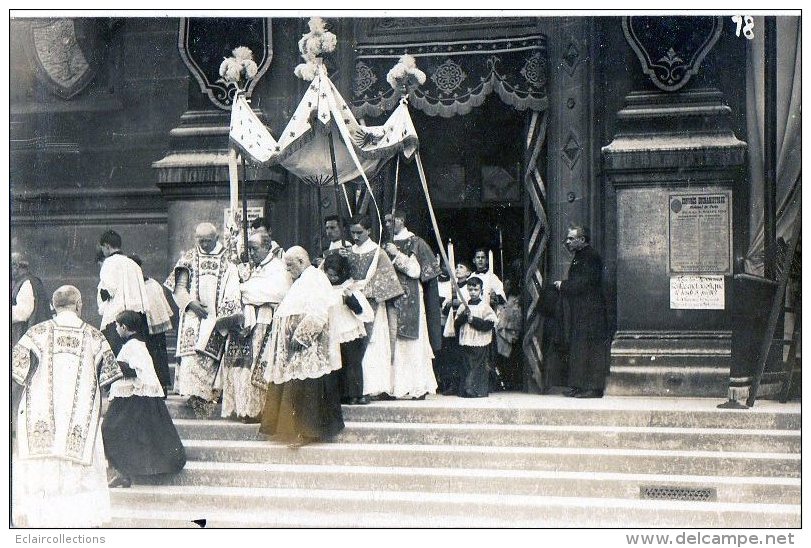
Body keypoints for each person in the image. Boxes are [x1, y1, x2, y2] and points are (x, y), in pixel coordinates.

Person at [11, 286, 121, 527]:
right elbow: (110, 378)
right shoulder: (95, 337)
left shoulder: (34, 333)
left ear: (52, 306)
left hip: (41, 416)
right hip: (80, 418)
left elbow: (16, 372)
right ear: (79, 305)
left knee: (43, 472)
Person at [259, 247, 344, 448]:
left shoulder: (315, 278)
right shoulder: (301, 281)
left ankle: (307, 432)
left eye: (290, 265)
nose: (288, 270)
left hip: (308, 347)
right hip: (294, 349)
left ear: (301, 261)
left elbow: (319, 311)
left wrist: (303, 335)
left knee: (307, 388)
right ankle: (296, 431)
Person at [164, 222, 242, 416]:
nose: (204, 244)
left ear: (216, 238)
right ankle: (194, 396)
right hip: (192, 315)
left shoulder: (228, 258)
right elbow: (179, 286)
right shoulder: (189, 257)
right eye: (201, 240)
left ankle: (210, 397)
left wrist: (225, 314)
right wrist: (190, 303)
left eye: (208, 240)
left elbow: (234, 286)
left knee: (210, 358)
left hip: (216, 315)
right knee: (191, 357)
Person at [102, 310, 186, 488]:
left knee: (111, 428)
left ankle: (124, 472)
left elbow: (137, 371)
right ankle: (123, 472)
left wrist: (114, 365)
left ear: (124, 327)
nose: (116, 329)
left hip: (136, 398)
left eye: (117, 326)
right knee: (125, 433)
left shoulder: (134, 346)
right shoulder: (135, 345)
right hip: (134, 395)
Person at [221, 232, 292, 422]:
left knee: (256, 367)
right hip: (244, 323)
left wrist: (243, 290)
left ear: (267, 247)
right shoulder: (249, 268)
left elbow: (277, 293)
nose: (250, 253)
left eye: (255, 249)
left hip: (264, 323)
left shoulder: (278, 268)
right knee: (239, 365)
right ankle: (240, 408)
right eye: (249, 249)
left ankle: (257, 410)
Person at [341, 213, 404, 399]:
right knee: (353, 344)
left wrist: (365, 291)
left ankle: (373, 387)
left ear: (369, 231)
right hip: (352, 301)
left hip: (371, 302)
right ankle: (354, 389)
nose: (355, 237)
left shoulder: (379, 253)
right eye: (352, 233)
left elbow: (388, 280)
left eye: (359, 232)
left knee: (373, 344)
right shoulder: (349, 251)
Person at [383, 210, 440, 399]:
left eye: (391, 221)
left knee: (411, 343)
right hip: (391, 298)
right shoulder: (385, 243)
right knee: (392, 342)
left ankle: (417, 387)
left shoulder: (414, 241)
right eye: (385, 222)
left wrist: (396, 254)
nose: (388, 225)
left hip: (410, 297)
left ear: (401, 220)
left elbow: (415, 271)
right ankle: (395, 388)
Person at [553, 225, 609, 398]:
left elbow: (584, 283)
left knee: (590, 348)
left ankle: (593, 388)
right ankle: (579, 385)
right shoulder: (581, 256)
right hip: (582, 311)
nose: (567, 242)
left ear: (582, 240)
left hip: (591, 312)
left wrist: (563, 285)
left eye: (571, 238)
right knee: (580, 348)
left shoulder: (591, 257)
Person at [324, 253, 374, 405]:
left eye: (335, 275)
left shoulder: (350, 289)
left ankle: (355, 394)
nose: (332, 278)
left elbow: (367, 314)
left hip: (350, 331)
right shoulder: (325, 289)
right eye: (329, 274)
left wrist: (351, 301)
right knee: (337, 364)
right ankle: (342, 395)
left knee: (352, 364)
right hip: (333, 332)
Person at [96, 229, 151, 355]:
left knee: (115, 356)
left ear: (106, 246)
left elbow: (108, 290)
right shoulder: (133, 264)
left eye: (103, 248)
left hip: (117, 318)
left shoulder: (109, 263)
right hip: (136, 318)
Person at [130, 254, 175, 395]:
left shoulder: (152, 285)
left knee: (157, 355)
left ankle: (162, 386)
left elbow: (160, 307)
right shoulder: (129, 286)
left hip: (154, 329)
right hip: (138, 327)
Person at [454, 276, 498, 398]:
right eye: (470, 289)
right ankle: (466, 390)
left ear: (481, 291)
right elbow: (456, 323)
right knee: (466, 365)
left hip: (479, 340)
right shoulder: (463, 306)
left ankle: (477, 390)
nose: (473, 292)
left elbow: (490, 324)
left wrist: (474, 320)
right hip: (466, 340)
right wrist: (463, 317)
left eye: (476, 289)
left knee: (477, 366)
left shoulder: (484, 306)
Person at [11, 252, 50, 346]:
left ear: (16, 266)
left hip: (28, 336)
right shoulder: (28, 281)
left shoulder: (27, 283)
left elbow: (23, 313)